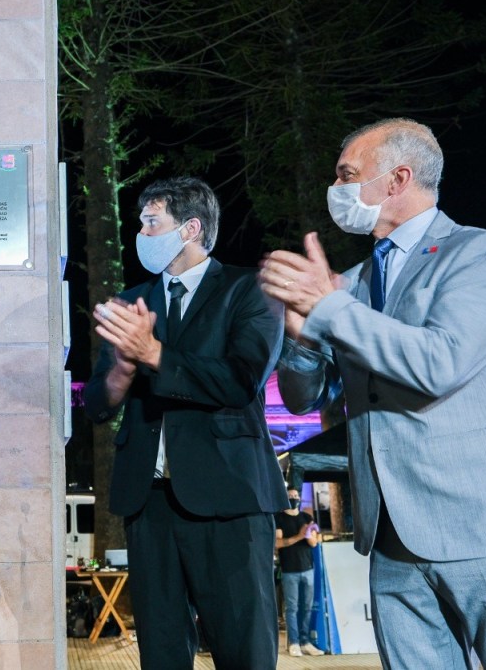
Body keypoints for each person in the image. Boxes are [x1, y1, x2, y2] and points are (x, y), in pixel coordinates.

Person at [260, 117, 486, 669]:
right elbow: (304, 399)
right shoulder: (352, 282)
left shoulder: (482, 253)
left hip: (483, 527)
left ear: (397, 179)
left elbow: (440, 363)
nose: (335, 189)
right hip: (390, 538)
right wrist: (303, 339)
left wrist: (330, 307)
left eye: (347, 175)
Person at [85, 176, 288, 669]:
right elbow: (96, 404)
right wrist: (121, 370)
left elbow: (240, 381)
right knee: (161, 649)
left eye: (152, 222)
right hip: (148, 501)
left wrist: (154, 354)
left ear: (191, 228)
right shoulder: (131, 301)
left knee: (242, 647)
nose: (141, 233)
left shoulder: (248, 290)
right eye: (140, 223)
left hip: (228, 497)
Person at [274, 486, 324, 657]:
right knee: (292, 608)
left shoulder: (306, 518)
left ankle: (305, 641)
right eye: (290, 496)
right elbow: (278, 543)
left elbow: (314, 542)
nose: (294, 498)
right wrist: (299, 536)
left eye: (296, 495)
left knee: (307, 607)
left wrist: (308, 534)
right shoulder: (279, 518)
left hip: (308, 568)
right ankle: (294, 642)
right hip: (289, 571)